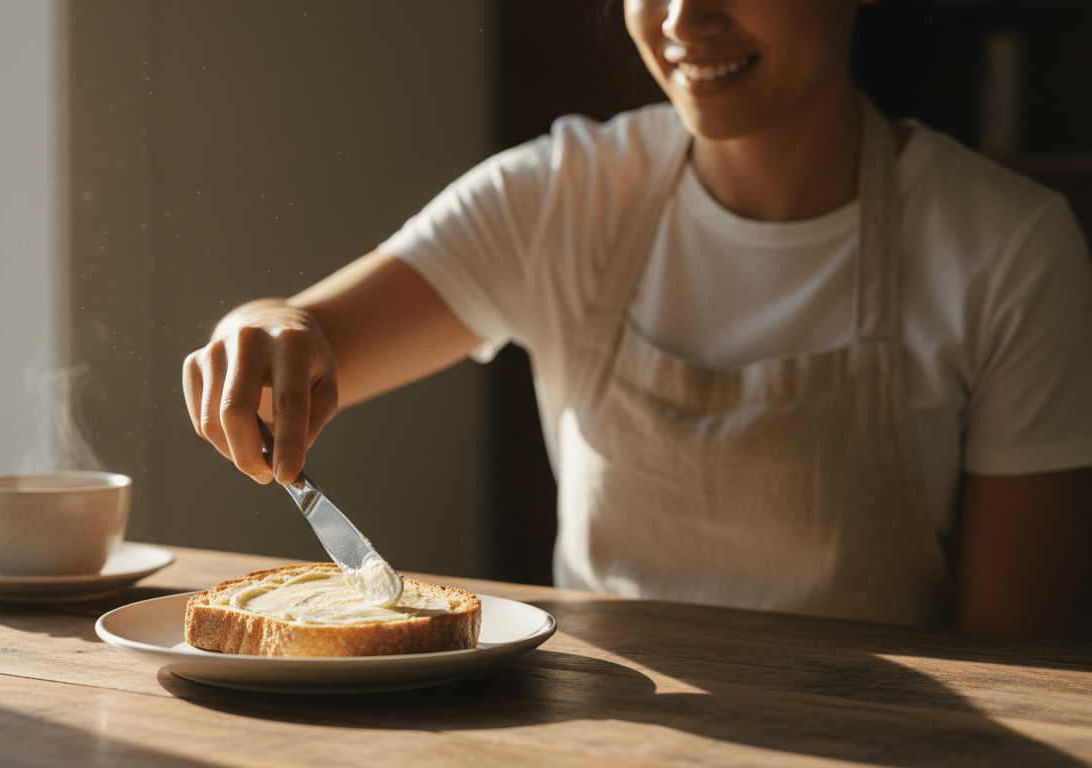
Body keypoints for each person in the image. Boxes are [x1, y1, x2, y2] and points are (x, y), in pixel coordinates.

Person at [182, 0, 1092, 639]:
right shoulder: (562, 195)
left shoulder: (1009, 251)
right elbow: (312, 332)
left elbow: (1016, 661)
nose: (684, 19)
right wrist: (265, 330)